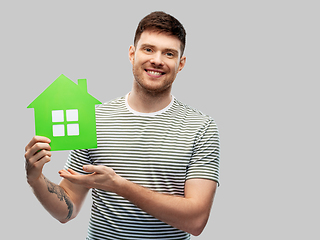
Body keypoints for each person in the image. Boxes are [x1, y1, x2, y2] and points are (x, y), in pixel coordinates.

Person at [25, 11, 220, 240]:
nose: (157, 60)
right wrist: (35, 179)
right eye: (148, 49)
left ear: (181, 64)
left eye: (169, 53)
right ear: (132, 53)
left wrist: (120, 186)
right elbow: (67, 209)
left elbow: (196, 221)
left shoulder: (201, 127)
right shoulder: (94, 119)